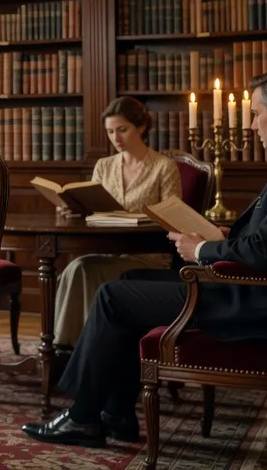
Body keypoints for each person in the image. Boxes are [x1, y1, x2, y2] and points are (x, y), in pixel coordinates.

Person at [22, 67, 267, 447]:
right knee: (127, 284)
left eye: (257, 114)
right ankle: (116, 413)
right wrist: (227, 236)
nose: (254, 125)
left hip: (262, 304)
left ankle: (82, 416)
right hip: (263, 293)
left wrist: (202, 249)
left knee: (113, 297)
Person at [52, 97, 181, 348]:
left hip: (148, 255)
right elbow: (94, 210)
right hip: (107, 250)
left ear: (141, 127)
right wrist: (77, 210)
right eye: (110, 132)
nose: (116, 138)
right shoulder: (104, 165)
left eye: (122, 130)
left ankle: (76, 347)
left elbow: (172, 220)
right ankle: (70, 348)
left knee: (82, 268)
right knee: (74, 268)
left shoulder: (164, 167)